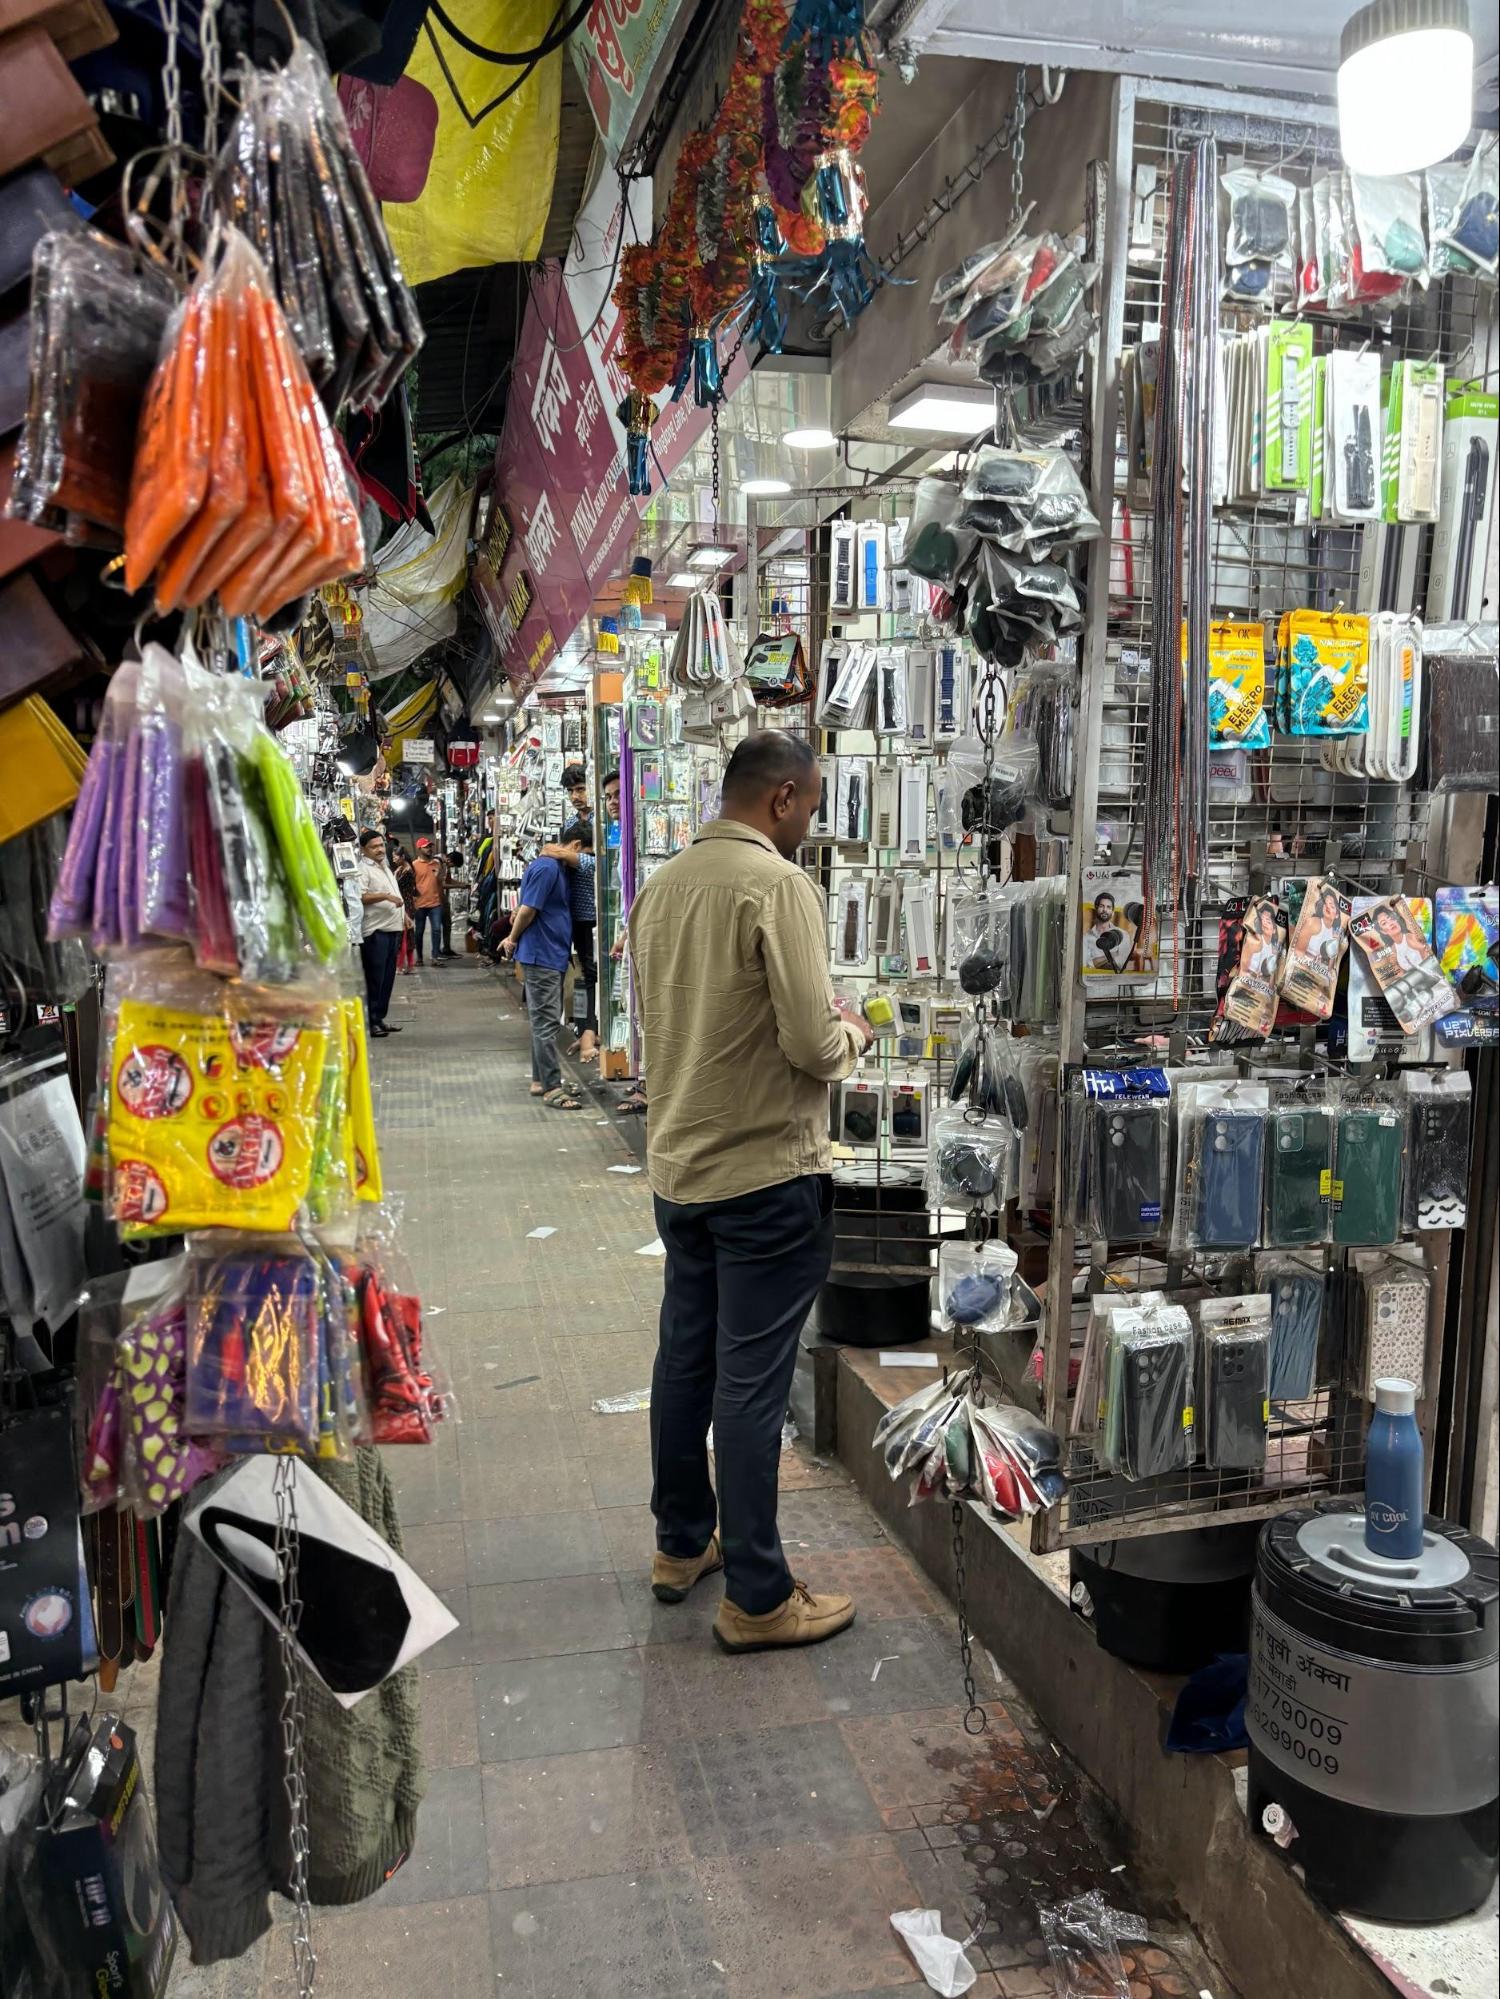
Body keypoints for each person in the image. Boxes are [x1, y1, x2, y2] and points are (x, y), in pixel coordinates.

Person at [627, 731, 873, 1654]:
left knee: (685, 1360)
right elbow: (813, 1042)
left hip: (681, 1171)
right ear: (780, 798)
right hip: (765, 1175)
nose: (811, 821)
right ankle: (761, 1596)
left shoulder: (662, 884)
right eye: (809, 804)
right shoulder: (777, 886)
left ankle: (680, 1543)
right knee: (751, 1384)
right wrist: (857, 1034)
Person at [501, 832, 585, 1109]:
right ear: (574, 846)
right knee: (546, 1022)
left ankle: (540, 1080)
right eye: (583, 855)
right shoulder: (547, 868)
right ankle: (551, 1087)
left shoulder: (557, 868)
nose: (582, 861)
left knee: (544, 1021)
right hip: (541, 954)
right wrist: (512, 939)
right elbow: (527, 910)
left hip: (552, 953)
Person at [543, 820, 599, 1063]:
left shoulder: (589, 861)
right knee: (583, 978)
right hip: (575, 925)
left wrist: (559, 850)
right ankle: (585, 1029)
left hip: (587, 926)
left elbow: (550, 849)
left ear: (575, 845)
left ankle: (589, 1032)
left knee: (588, 978)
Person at [356, 829, 406, 1037]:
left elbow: (396, 895)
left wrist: (406, 916)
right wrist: (386, 897)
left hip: (393, 929)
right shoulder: (363, 869)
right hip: (375, 932)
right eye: (373, 846)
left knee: (387, 978)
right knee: (375, 978)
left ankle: (380, 1017)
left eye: (380, 844)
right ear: (363, 850)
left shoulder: (384, 866)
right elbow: (361, 896)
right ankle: (371, 1021)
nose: (379, 849)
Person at [410, 838, 444, 966]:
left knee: (436, 929)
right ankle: (419, 957)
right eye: (426, 847)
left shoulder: (436, 864)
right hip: (420, 903)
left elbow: (441, 882)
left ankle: (435, 956)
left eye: (430, 846)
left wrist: (440, 873)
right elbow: (412, 884)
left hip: (435, 903)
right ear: (419, 849)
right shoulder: (414, 865)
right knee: (419, 931)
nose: (429, 849)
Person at [391, 843, 418, 975]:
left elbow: (395, 886)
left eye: (395, 857)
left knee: (403, 937)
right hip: (406, 905)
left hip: (405, 906)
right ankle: (409, 965)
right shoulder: (403, 869)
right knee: (407, 936)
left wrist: (394, 875)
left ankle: (400, 965)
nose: (393, 859)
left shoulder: (406, 872)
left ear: (402, 857)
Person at [440, 850, 461, 958]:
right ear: (449, 860)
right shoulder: (439, 863)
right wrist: (460, 886)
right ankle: (438, 951)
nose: (452, 867)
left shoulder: (445, 865)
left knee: (447, 924)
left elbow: (448, 880)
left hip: (442, 898)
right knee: (439, 926)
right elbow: (442, 885)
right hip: (436, 899)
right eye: (453, 865)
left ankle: (446, 948)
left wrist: (463, 884)